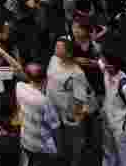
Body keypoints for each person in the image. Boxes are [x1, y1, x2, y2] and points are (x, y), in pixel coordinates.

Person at [46, 36, 93, 166]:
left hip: (69, 111)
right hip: (53, 106)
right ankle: (60, 155)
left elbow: (80, 99)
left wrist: (76, 117)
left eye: (59, 47)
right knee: (57, 133)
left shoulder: (77, 74)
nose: (55, 48)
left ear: (68, 53)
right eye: (56, 45)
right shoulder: (53, 59)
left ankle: (75, 160)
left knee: (75, 138)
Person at [100, 48, 126, 166]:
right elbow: (98, 62)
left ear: (115, 65)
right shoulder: (106, 70)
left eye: (107, 64)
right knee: (109, 154)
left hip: (122, 130)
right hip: (108, 124)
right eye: (104, 63)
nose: (104, 66)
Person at [16, 62, 59, 165]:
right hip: (41, 146)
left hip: (25, 140)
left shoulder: (19, 87)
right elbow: (55, 127)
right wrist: (58, 149)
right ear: (45, 79)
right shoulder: (43, 101)